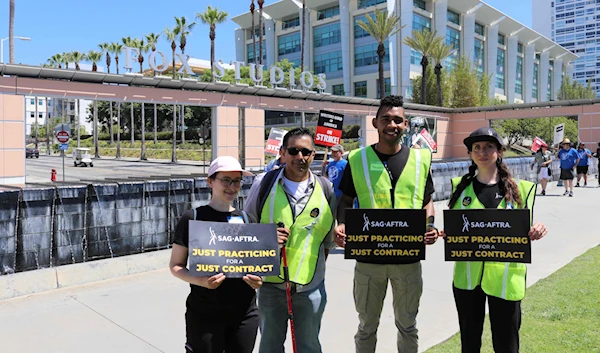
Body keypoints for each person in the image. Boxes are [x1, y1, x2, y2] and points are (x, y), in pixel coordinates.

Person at [333, 95, 439, 353]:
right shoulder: (356, 159)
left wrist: (430, 226)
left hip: (408, 259)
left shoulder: (421, 160)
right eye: (386, 119)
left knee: (407, 325)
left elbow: (427, 202)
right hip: (369, 260)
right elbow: (346, 200)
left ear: (405, 125)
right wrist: (341, 225)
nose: (392, 124)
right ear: (375, 123)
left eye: (397, 120)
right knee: (367, 326)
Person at [439, 127, 547, 353]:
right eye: (476, 147)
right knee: (469, 344)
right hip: (467, 280)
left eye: (489, 146)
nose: (482, 152)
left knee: (506, 345)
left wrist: (537, 229)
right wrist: (447, 234)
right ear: (470, 153)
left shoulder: (521, 189)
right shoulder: (459, 187)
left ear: (499, 151)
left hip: (505, 281)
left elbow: (526, 228)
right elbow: (457, 228)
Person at [245, 127, 336, 353]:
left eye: (305, 152)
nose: (300, 157)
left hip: (310, 288)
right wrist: (267, 239)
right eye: (293, 151)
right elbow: (246, 230)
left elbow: (327, 241)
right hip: (270, 287)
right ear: (283, 153)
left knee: (309, 347)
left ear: (313, 155)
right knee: (270, 347)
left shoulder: (326, 188)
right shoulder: (263, 183)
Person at [169, 156, 263, 353]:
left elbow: (256, 265)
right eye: (226, 180)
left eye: (237, 181)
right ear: (210, 181)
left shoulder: (247, 219)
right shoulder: (193, 218)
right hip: (205, 313)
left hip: (244, 313)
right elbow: (176, 266)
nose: (232, 186)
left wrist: (258, 279)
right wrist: (201, 281)